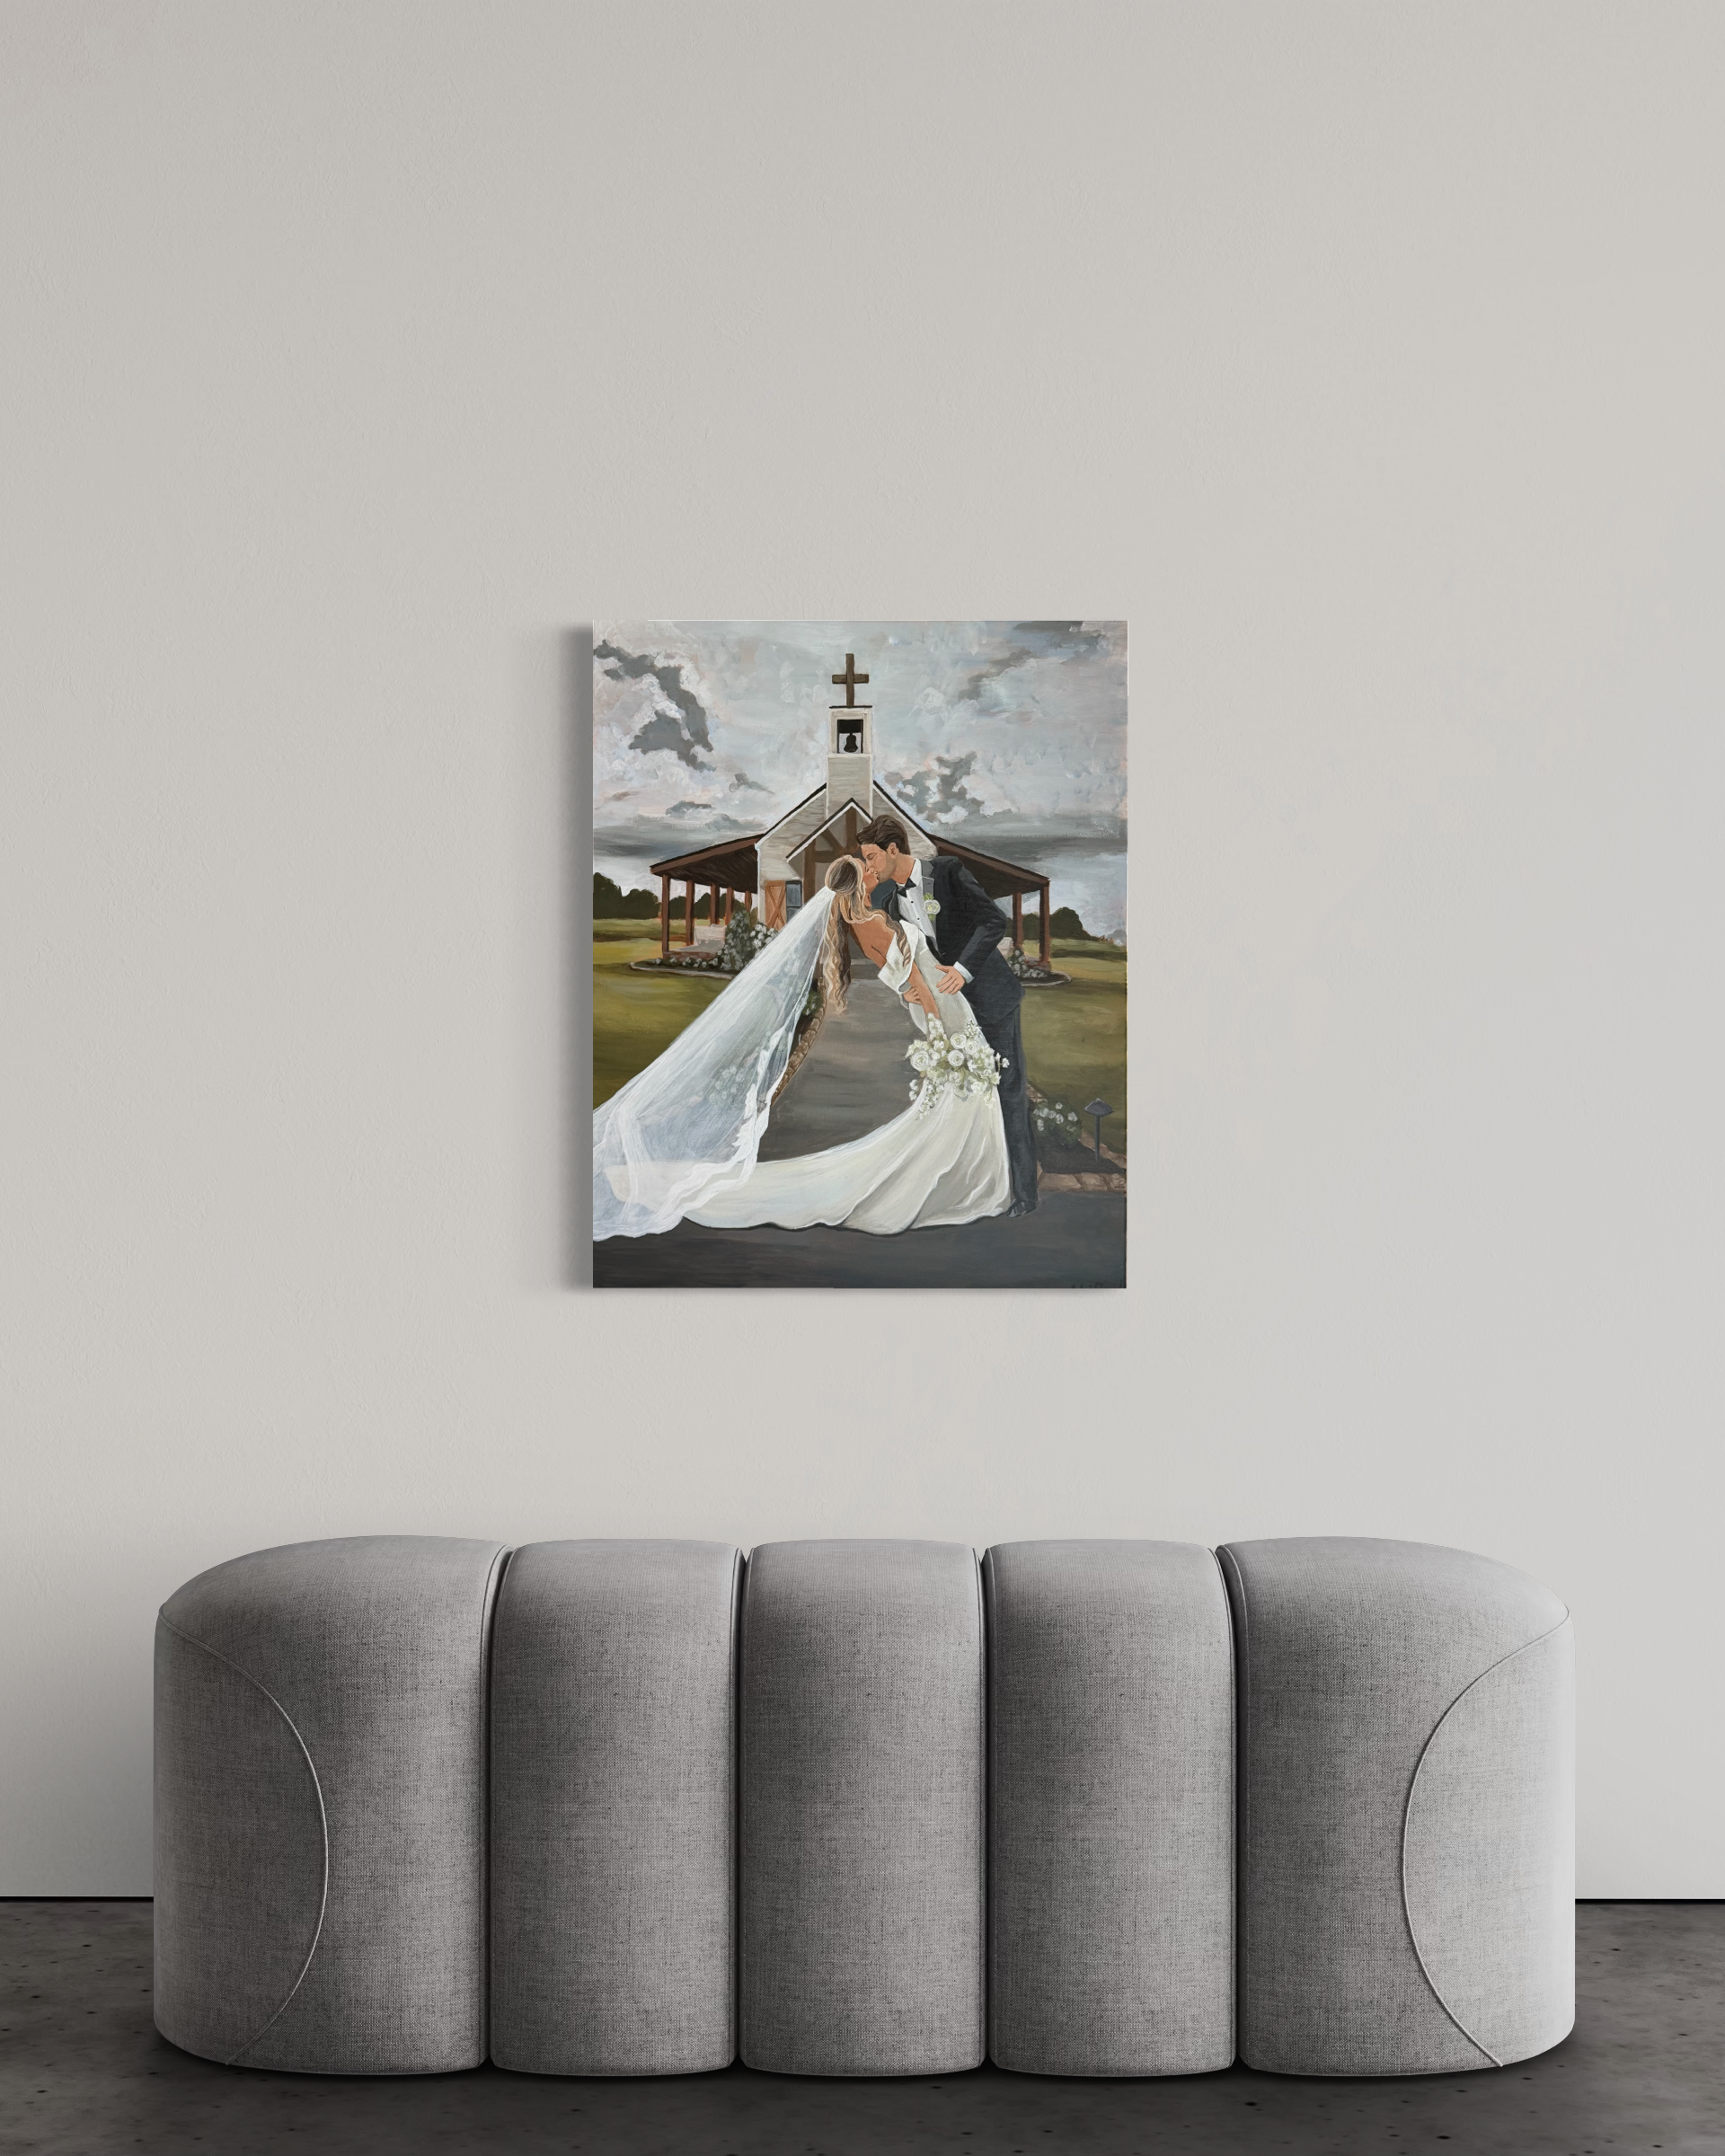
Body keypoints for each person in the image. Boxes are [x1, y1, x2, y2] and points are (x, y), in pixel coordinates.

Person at [679, 857, 1011, 1233]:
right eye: (865, 868)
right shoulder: (871, 921)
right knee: (964, 1085)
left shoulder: (858, 923)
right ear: (857, 884)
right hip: (941, 1003)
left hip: (937, 997)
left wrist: (909, 993)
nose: (873, 870)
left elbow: (895, 975)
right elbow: (913, 976)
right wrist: (937, 1027)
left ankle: (962, 1169)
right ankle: (962, 1177)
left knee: (962, 1088)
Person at [856, 815, 1039, 1215]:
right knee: (967, 1098)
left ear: (892, 849)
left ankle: (1024, 1195)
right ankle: (979, 1186)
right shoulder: (889, 904)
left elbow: (994, 921)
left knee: (1008, 1092)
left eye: (871, 857)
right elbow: (907, 963)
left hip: (990, 999)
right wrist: (911, 993)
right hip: (954, 1015)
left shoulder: (949, 872)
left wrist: (963, 969)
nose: (869, 867)